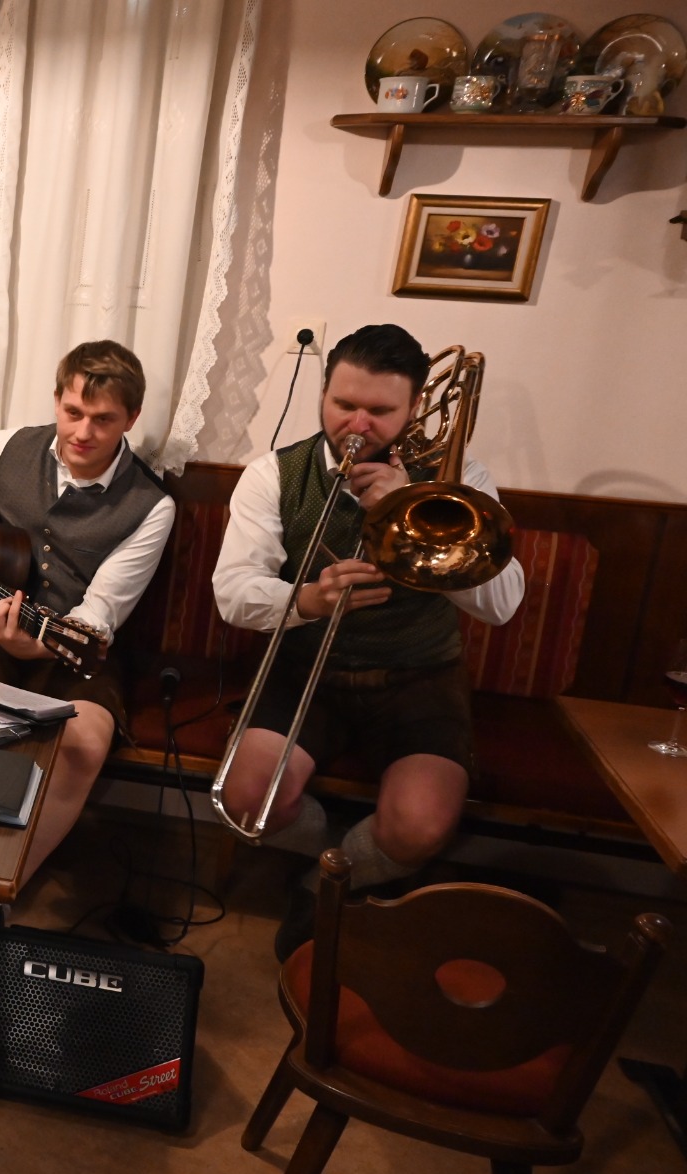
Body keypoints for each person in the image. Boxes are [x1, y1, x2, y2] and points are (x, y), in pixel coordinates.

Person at [212, 323, 523, 959]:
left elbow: (503, 605)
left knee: (418, 829)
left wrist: (413, 508)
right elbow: (233, 593)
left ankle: (325, 885)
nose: (357, 425)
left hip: (418, 673)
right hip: (305, 663)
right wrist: (308, 599)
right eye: (343, 404)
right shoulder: (275, 474)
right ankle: (343, 862)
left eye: (380, 411)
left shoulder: (462, 477)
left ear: (415, 408)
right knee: (246, 802)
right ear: (323, 392)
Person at [0, 340, 176, 963]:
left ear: (131, 418)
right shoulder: (15, 446)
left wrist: (36, 645)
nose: (82, 432)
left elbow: (97, 619)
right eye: (73, 412)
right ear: (57, 400)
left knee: (84, 741)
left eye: (103, 419)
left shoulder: (151, 506)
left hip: (70, 647)